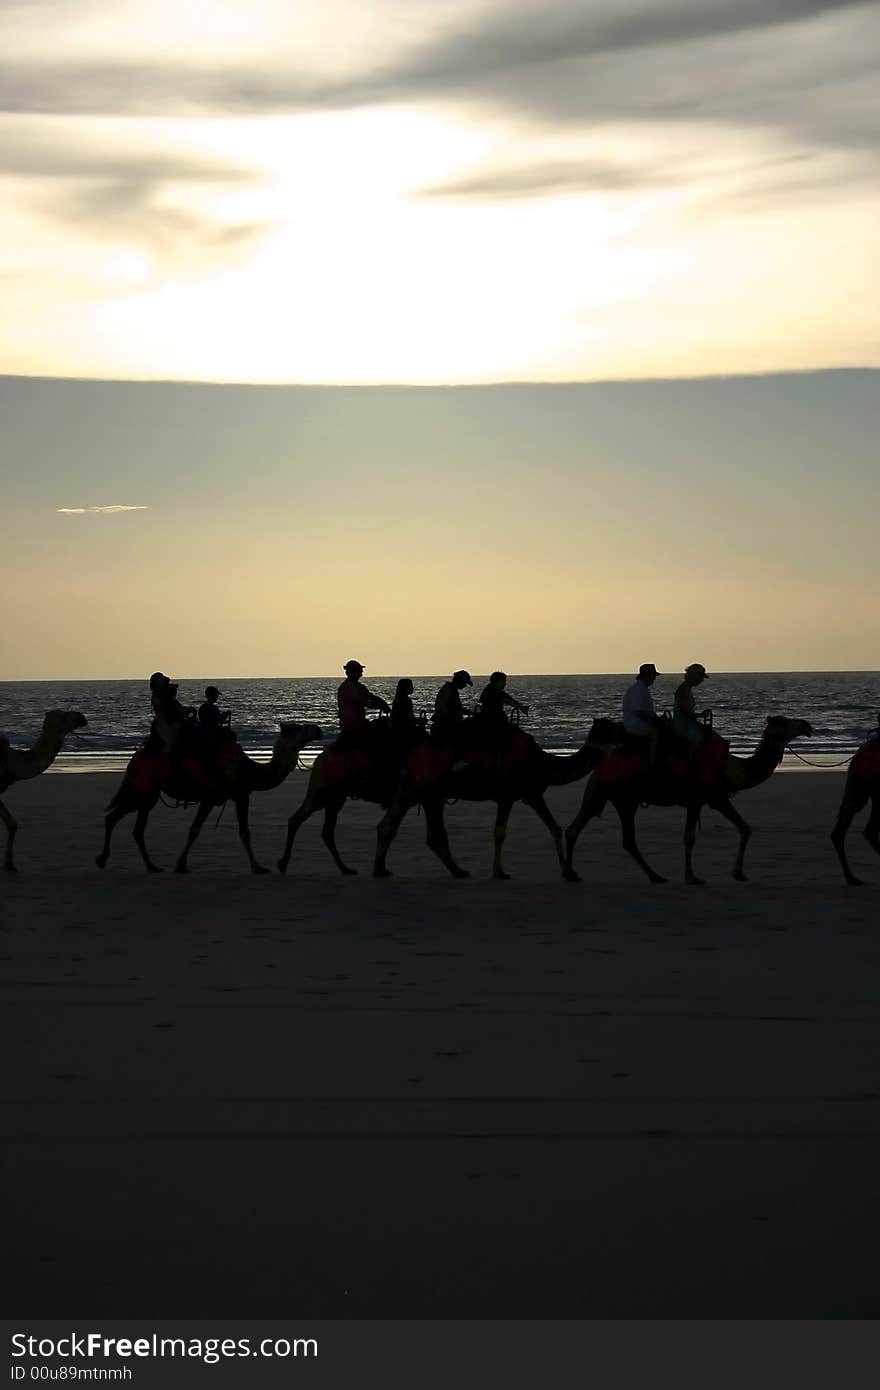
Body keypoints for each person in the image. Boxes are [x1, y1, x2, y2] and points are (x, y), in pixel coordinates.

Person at [336, 660, 390, 745]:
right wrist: (381, 705)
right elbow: (364, 702)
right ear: (354, 672)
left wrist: (382, 703)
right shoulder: (349, 687)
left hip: (358, 722)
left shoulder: (358, 686)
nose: (362, 671)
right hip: (353, 724)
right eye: (360, 670)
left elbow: (370, 696)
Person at [621, 663, 662, 763]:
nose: (654, 679)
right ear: (647, 676)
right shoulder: (638, 690)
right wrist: (653, 721)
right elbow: (639, 712)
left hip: (638, 721)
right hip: (635, 724)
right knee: (656, 733)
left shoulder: (642, 689)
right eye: (653, 676)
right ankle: (653, 761)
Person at [673, 664, 711, 753]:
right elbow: (685, 713)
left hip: (685, 724)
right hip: (683, 726)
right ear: (694, 676)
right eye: (701, 677)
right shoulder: (684, 690)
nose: (702, 680)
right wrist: (701, 715)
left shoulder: (686, 688)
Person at [432, 670, 473, 742]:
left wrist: (469, 712)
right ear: (460, 681)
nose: (465, 686)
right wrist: (449, 721)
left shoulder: (452, 690)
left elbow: (457, 707)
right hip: (447, 727)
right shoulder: (448, 689)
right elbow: (440, 706)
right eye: (465, 683)